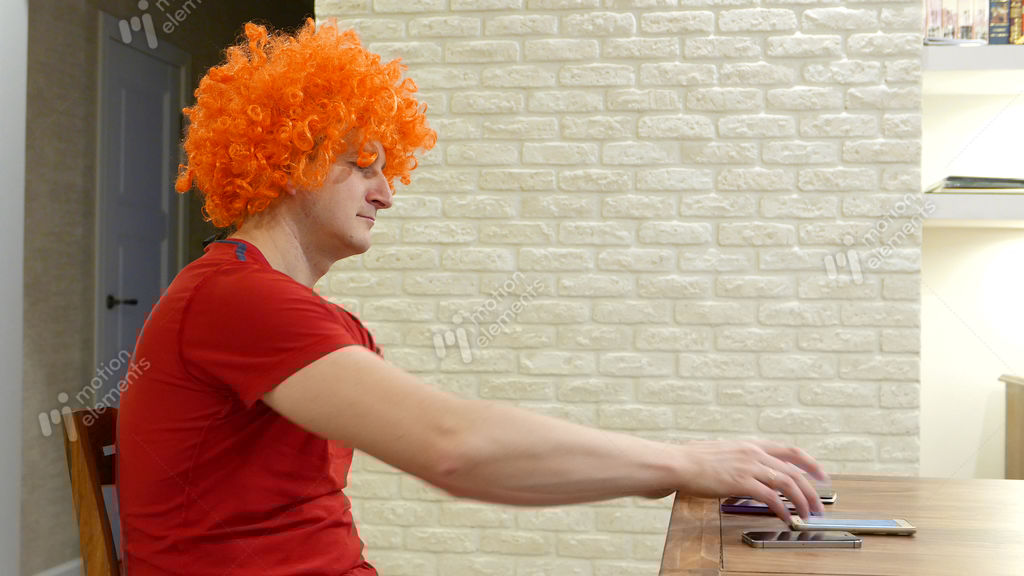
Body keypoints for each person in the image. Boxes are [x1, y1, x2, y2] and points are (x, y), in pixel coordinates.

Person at [116, 19, 828, 576]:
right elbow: (453, 448)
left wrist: (675, 469)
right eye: (365, 164)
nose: (388, 194)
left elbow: (470, 464)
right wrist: (682, 463)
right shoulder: (235, 300)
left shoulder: (316, 318)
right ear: (290, 156)